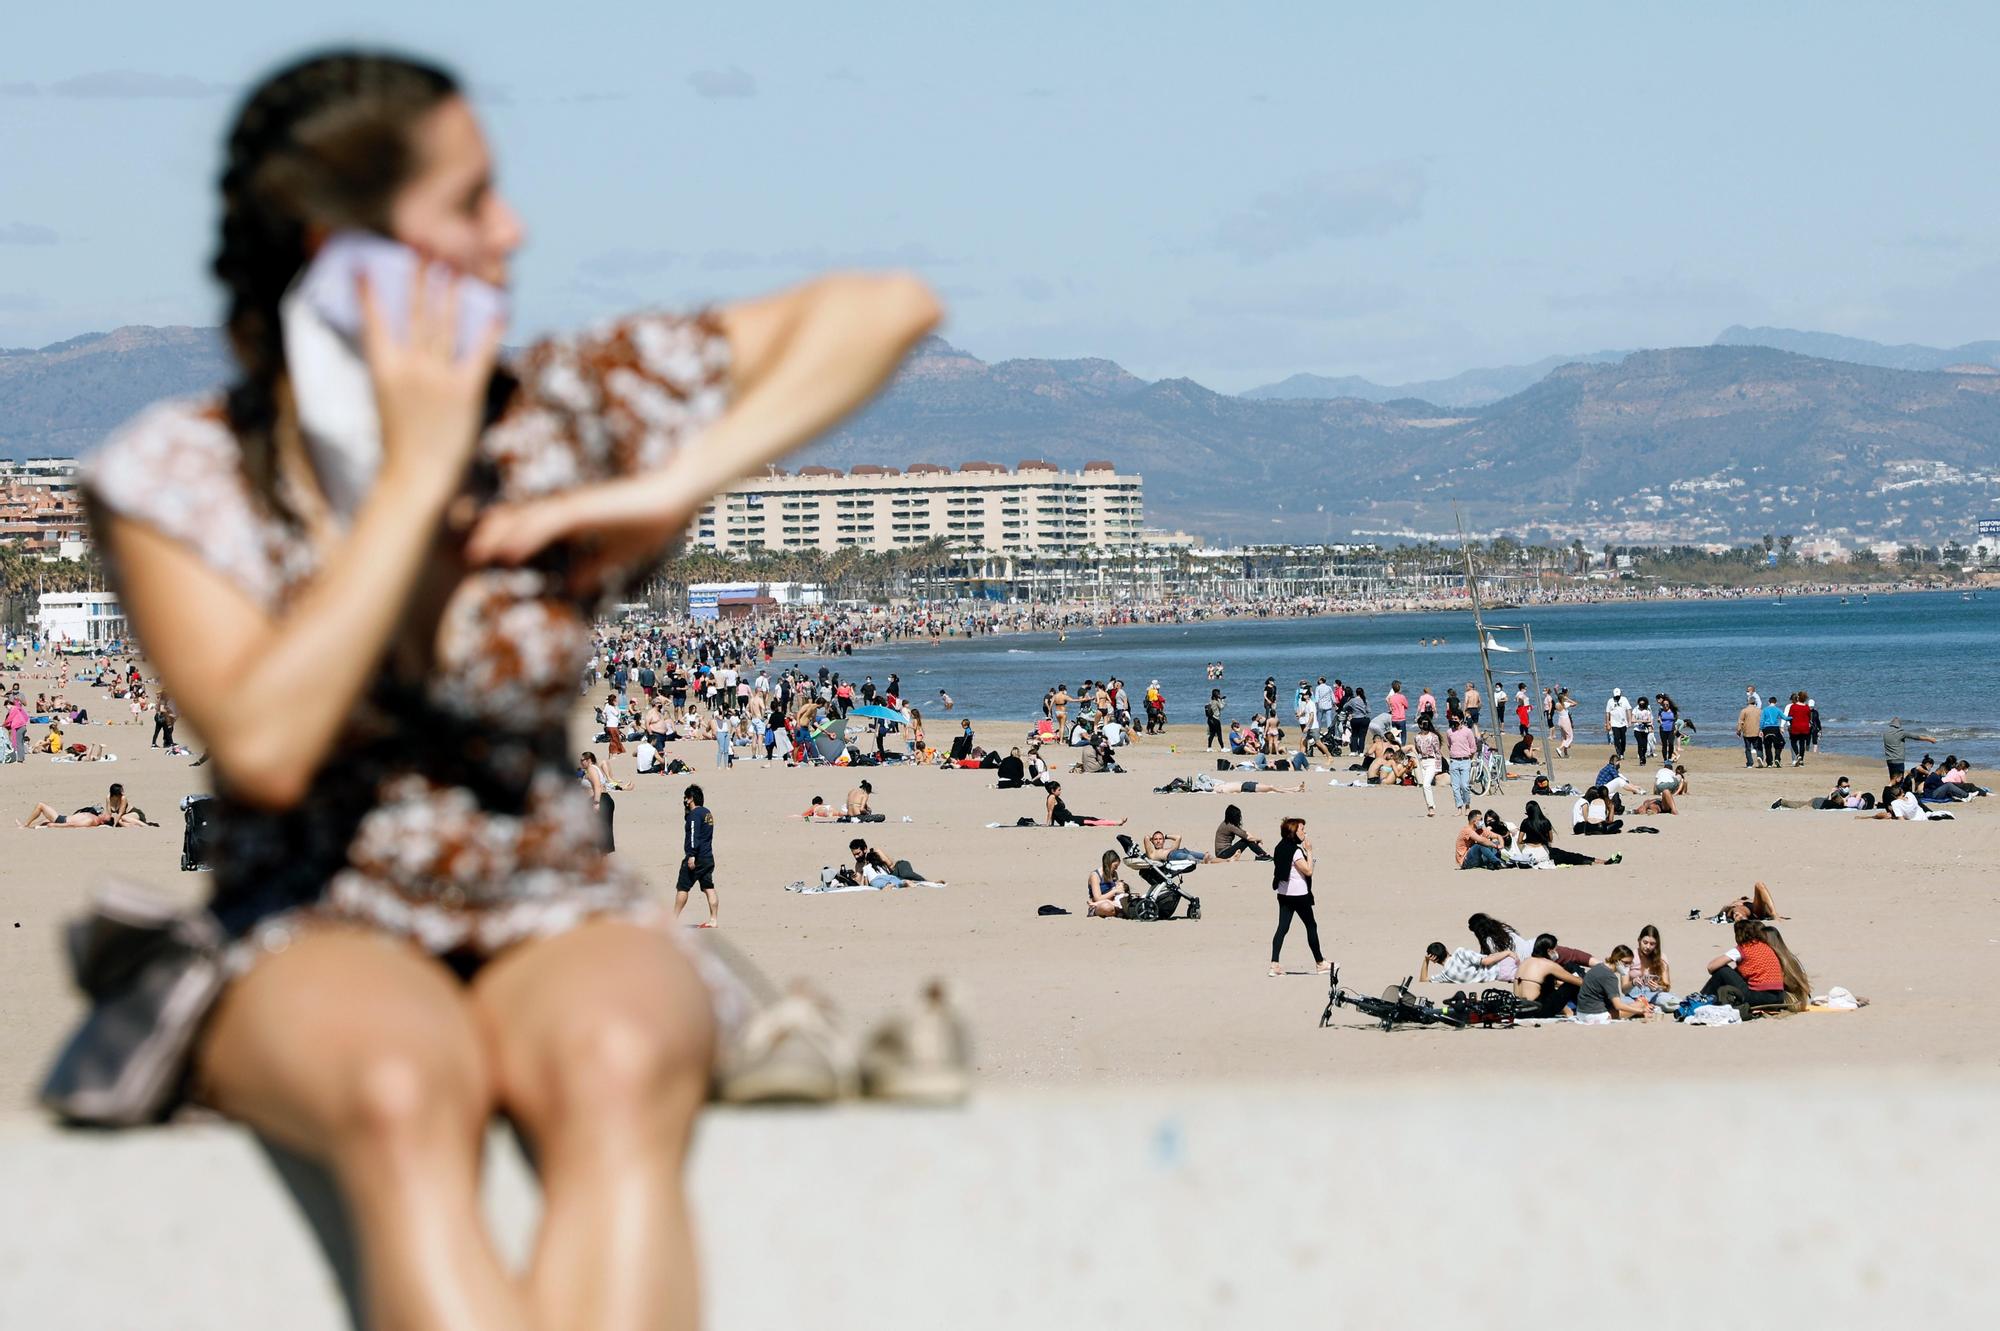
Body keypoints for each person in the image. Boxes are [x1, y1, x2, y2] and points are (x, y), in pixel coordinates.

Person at [54, 49, 942, 1328]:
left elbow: (884, 308)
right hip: (308, 912)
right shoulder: (182, 473)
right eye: (469, 202)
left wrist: (667, 481)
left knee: (621, 1067)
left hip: (547, 893)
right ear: (340, 248)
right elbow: (263, 745)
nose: (511, 228)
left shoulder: (555, 409)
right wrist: (411, 483)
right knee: (405, 1093)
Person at [1268, 817, 1328, 977]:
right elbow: (1308, 871)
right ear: (1293, 832)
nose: (1305, 832)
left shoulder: (1279, 847)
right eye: (1302, 829)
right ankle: (1320, 963)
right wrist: (1309, 851)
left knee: (1282, 927)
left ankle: (1274, 964)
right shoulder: (1295, 851)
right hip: (1299, 895)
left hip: (1283, 894)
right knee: (1311, 926)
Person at [1700, 919, 1790, 1013]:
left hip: (1758, 996)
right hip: (1779, 996)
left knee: (1723, 970)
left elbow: (1711, 967)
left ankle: (1702, 998)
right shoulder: (1765, 947)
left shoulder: (1743, 948)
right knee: (1734, 973)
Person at [1516, 800, 1618, 867]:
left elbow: (1519, 841)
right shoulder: (1545, 822)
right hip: (1542, 853)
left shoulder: (1525, 822)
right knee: (1570, 856)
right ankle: (1601, 861)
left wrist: (1527, 841)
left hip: (1527, 854)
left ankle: (1596, 861)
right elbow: (1550, 839)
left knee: (1565, 856)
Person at [677, 783, 719, 927]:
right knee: (709, 887)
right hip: (708, 856)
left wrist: (692, 855)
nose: (684, 801)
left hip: (697, 857)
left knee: (683, 887)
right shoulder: (707, 812)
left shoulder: (694, 815)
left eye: (686, 798)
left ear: (691, 798)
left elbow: (694, 835)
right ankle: (714, 919)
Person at [1573, 949, 1650, 1022]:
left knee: (1632, 1005)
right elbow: (1618, 1006)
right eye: (1626, 963)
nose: (1628, 966)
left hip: (1580, 1013)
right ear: (1617, 960)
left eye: (1630, 963)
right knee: (1640, 1004)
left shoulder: (1598, 967)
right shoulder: (1610, 976)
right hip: (1596, 1016)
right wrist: (1641, 1010)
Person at [1419, 941, 1514, 985]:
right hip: (1502, 963)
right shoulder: (1460, 953)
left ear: (1434, 960)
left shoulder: (1446, 975)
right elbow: (1485, 961)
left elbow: (1423, 979)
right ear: (1446, 950)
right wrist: (1507, 952)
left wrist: (1426, 961)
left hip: (1502, 976)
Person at [1627, 925, 1678, 1008]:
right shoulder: (1630, 957)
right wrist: (1633, 983)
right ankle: (1643, 1006)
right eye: (1645, 942)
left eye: (1652, 944)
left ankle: (1646, 1006)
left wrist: (1658, 987)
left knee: (1674, 1003)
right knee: (1621, 1004)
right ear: (1639, 940)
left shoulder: (1662, 957)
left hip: (1655, 995)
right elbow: (1624, 988)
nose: (1648, 947)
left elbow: (1667, 987)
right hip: (1634, 995)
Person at [847, 838, 931, 887]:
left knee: (906, 875)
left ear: (865, 849)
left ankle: (928, 881)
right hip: (887, 877)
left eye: (858, 853)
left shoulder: (876, 852)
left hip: (897, 868)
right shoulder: (858, 865)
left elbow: (891, 865)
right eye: (854, 855)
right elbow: (861, 883)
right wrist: (854, 877)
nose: (856, 857)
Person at [1045, 781, 1125, 828]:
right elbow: (1050, 812)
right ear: (1052, 790)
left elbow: (1054, 813)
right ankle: (1116, 822)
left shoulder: (1054, 797)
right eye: (1059, 790)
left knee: (1091, 819)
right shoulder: (1051, 797)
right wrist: (1048, 825)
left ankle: (1115, 822)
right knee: (1091, 821)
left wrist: (1052, 824)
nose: (1060, 791)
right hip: (1068, 821)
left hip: (1070, 818)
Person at [580, 750, 615, 853]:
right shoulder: (595, 769)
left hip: (599, 801)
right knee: (603, 832)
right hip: (604, 799)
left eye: (582, 760)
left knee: (598, 832)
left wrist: (596, 803)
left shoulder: (591, 769)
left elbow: (597, 786)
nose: (581, 762)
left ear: (589, 760)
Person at [1881, 717, 1935, 783]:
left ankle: (1891, 792)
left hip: (1889, 760)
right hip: (1898, 760)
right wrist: (1929, 739)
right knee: (1899, 781)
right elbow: (1915, 737)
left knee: (1892, 779)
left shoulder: (1885, 733)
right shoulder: (1901, 733)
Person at [1411, 713, 1443, 817]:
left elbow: (1438, 752)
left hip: (1431, 762)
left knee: (1426, 784)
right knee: (1423, 786)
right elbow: (1418, 749)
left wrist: (1438, 767)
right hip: (1422, 762)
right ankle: (1429, 807)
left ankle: (1431, 807)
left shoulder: (1433, 737)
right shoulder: (1417, 737)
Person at [1446, 712, 1479, 810]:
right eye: (1452, 719)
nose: (1453, 720)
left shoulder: (1468, 732)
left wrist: (1469, 757)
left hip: (1465, 761)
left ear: (1461, 720)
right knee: (1455, 787)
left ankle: (1467, 805)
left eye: (1455, 718)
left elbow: (1473, 747)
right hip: (1453, 761)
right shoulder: (1449, 732)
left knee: (1465, 785)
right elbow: (1449, 745)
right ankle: (1459, 808)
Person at [1085, 849, 1129, 918]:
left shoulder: (1114, 874)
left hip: (1113, 903)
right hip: (1098, 905)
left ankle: (1117, 911)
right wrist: (1115, 891)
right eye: (1115, 866)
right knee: (1106, 907)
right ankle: (1117, 912)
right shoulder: (1095, 875)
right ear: (1109, 863)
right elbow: (1098, 899)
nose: (1116, 869)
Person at [1142, 830, 1210, 867]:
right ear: (1152, 841)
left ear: (1164, 841)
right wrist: (1151, 838)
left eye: (1160, 839)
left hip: (1180, 851)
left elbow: (1178, 837)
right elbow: (1146, 837)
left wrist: (1165, 836)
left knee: (1203, 855)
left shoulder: (1169, 849)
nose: (1158, 841)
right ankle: (1201, 861)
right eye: (1156, 839)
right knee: (1189, 857)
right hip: (1171, 856)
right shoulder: (1152, 853)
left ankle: (1205, 858)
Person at [1736, 694, 1766, 768]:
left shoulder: (1744, 711)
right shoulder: (1759, 711)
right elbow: (1763, 721)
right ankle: (1760, 758)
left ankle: (1750, 763)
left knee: (1748, 748)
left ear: (1748, 702)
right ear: (1755, 702)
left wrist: (1739, 731)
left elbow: (1740, 721)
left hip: (1747, 732)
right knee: (1758, 747)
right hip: (1757, 732)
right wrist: (1763, 730)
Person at [1604, 688, 1630, 758]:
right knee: (1616, 738)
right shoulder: (1610, 701)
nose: (1617, 697)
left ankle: (1622, 751)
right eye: (1616, 696)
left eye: (1618, 696)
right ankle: (1619, 753)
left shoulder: (1624, 699)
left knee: (1623, 739)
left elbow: (1628, 710)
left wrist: (1629, 721)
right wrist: (1607, 724)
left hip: (1623, 723)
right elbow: (1607, 713)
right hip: (1614, 723)